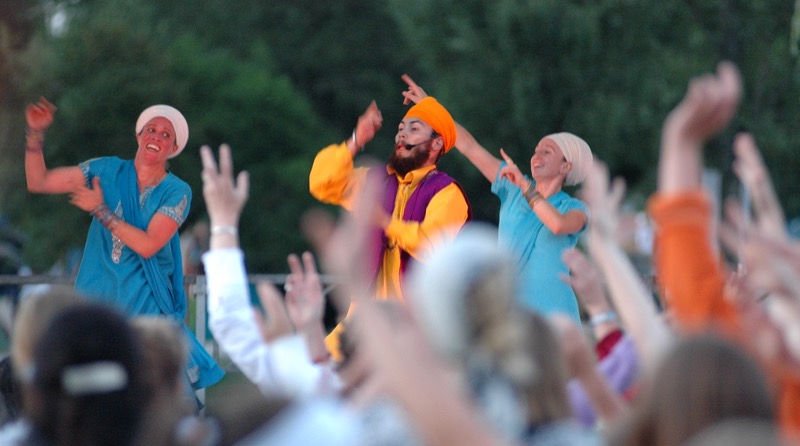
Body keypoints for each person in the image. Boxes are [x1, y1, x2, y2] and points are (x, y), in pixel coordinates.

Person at [23, 97, 223, 399]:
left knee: (148, 402)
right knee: (93, 399)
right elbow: (39, 181)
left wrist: (100, 210)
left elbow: (148, 245)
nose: (157, 137)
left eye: (166, 135)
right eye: (151, 130)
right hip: (96, 305)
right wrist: (35, 134)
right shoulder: (106, 170)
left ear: (173, 148)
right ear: (139, 136)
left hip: (146, 311)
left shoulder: (177, 191)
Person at [401, 76, 592, 323]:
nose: (537, 156)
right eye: (536, 151)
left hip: (556, 318)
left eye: (547, 152)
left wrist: (525, 186)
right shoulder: (511, 187)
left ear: (566, 166)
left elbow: (557, 225)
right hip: (512, 312)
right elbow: (469, 147)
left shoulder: (574, 208)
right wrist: (431, 108)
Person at [308, 83, 472, 302]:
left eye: (414, 129)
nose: (402, 135)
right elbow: (321, 183)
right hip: (367, 315)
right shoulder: (376, 181)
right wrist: (356, 140)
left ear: (436, 144)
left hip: (416, 317)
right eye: (400, 129)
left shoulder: (447, 193)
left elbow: (432, 246)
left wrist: (384, 221)